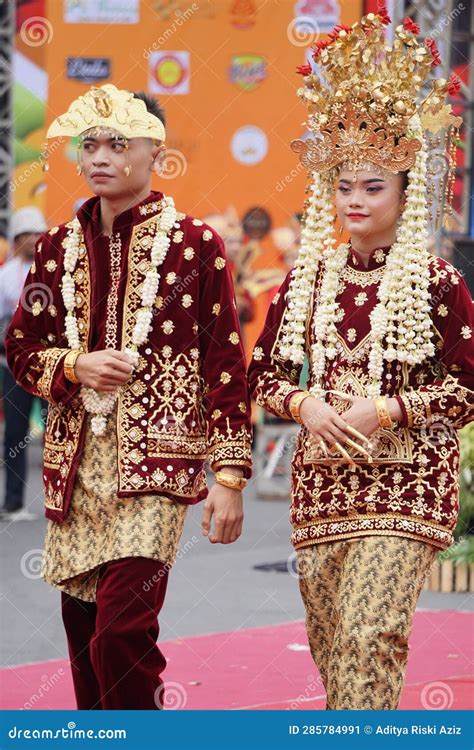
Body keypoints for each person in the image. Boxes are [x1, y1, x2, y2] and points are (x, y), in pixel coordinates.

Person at [248, 8, 473, 710]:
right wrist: (304, 404)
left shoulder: (437, 284)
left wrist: (389, 408)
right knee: (333, 636)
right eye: (344, 185)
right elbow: (262, 373)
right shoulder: (306, 280)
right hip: (322, 489)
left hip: (407, 485)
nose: (354, 199)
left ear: (404, 196)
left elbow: (468, 385)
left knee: (371, 632)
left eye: (372, 186)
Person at [5, 84, 252, 710]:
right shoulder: (56, 249)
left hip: (158, 466)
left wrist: (228, 475)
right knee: (84, 635)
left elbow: (226, 364)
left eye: (120, 143)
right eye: (91, 144)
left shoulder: (196, 247)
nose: (102, 157)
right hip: (76, 466)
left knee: (122, 631)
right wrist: (74, 365)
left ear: (156, 153)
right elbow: (21, 349)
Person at [1, 207, 48, 521]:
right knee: (15, 433)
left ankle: (67, 500)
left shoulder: (57, 271)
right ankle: (13, 502)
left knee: (63, 431)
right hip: (13, 366)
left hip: (51, 364)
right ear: (16, 239)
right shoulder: (4, 276)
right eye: (26, 235)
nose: (32, 241)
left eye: (37, 235)